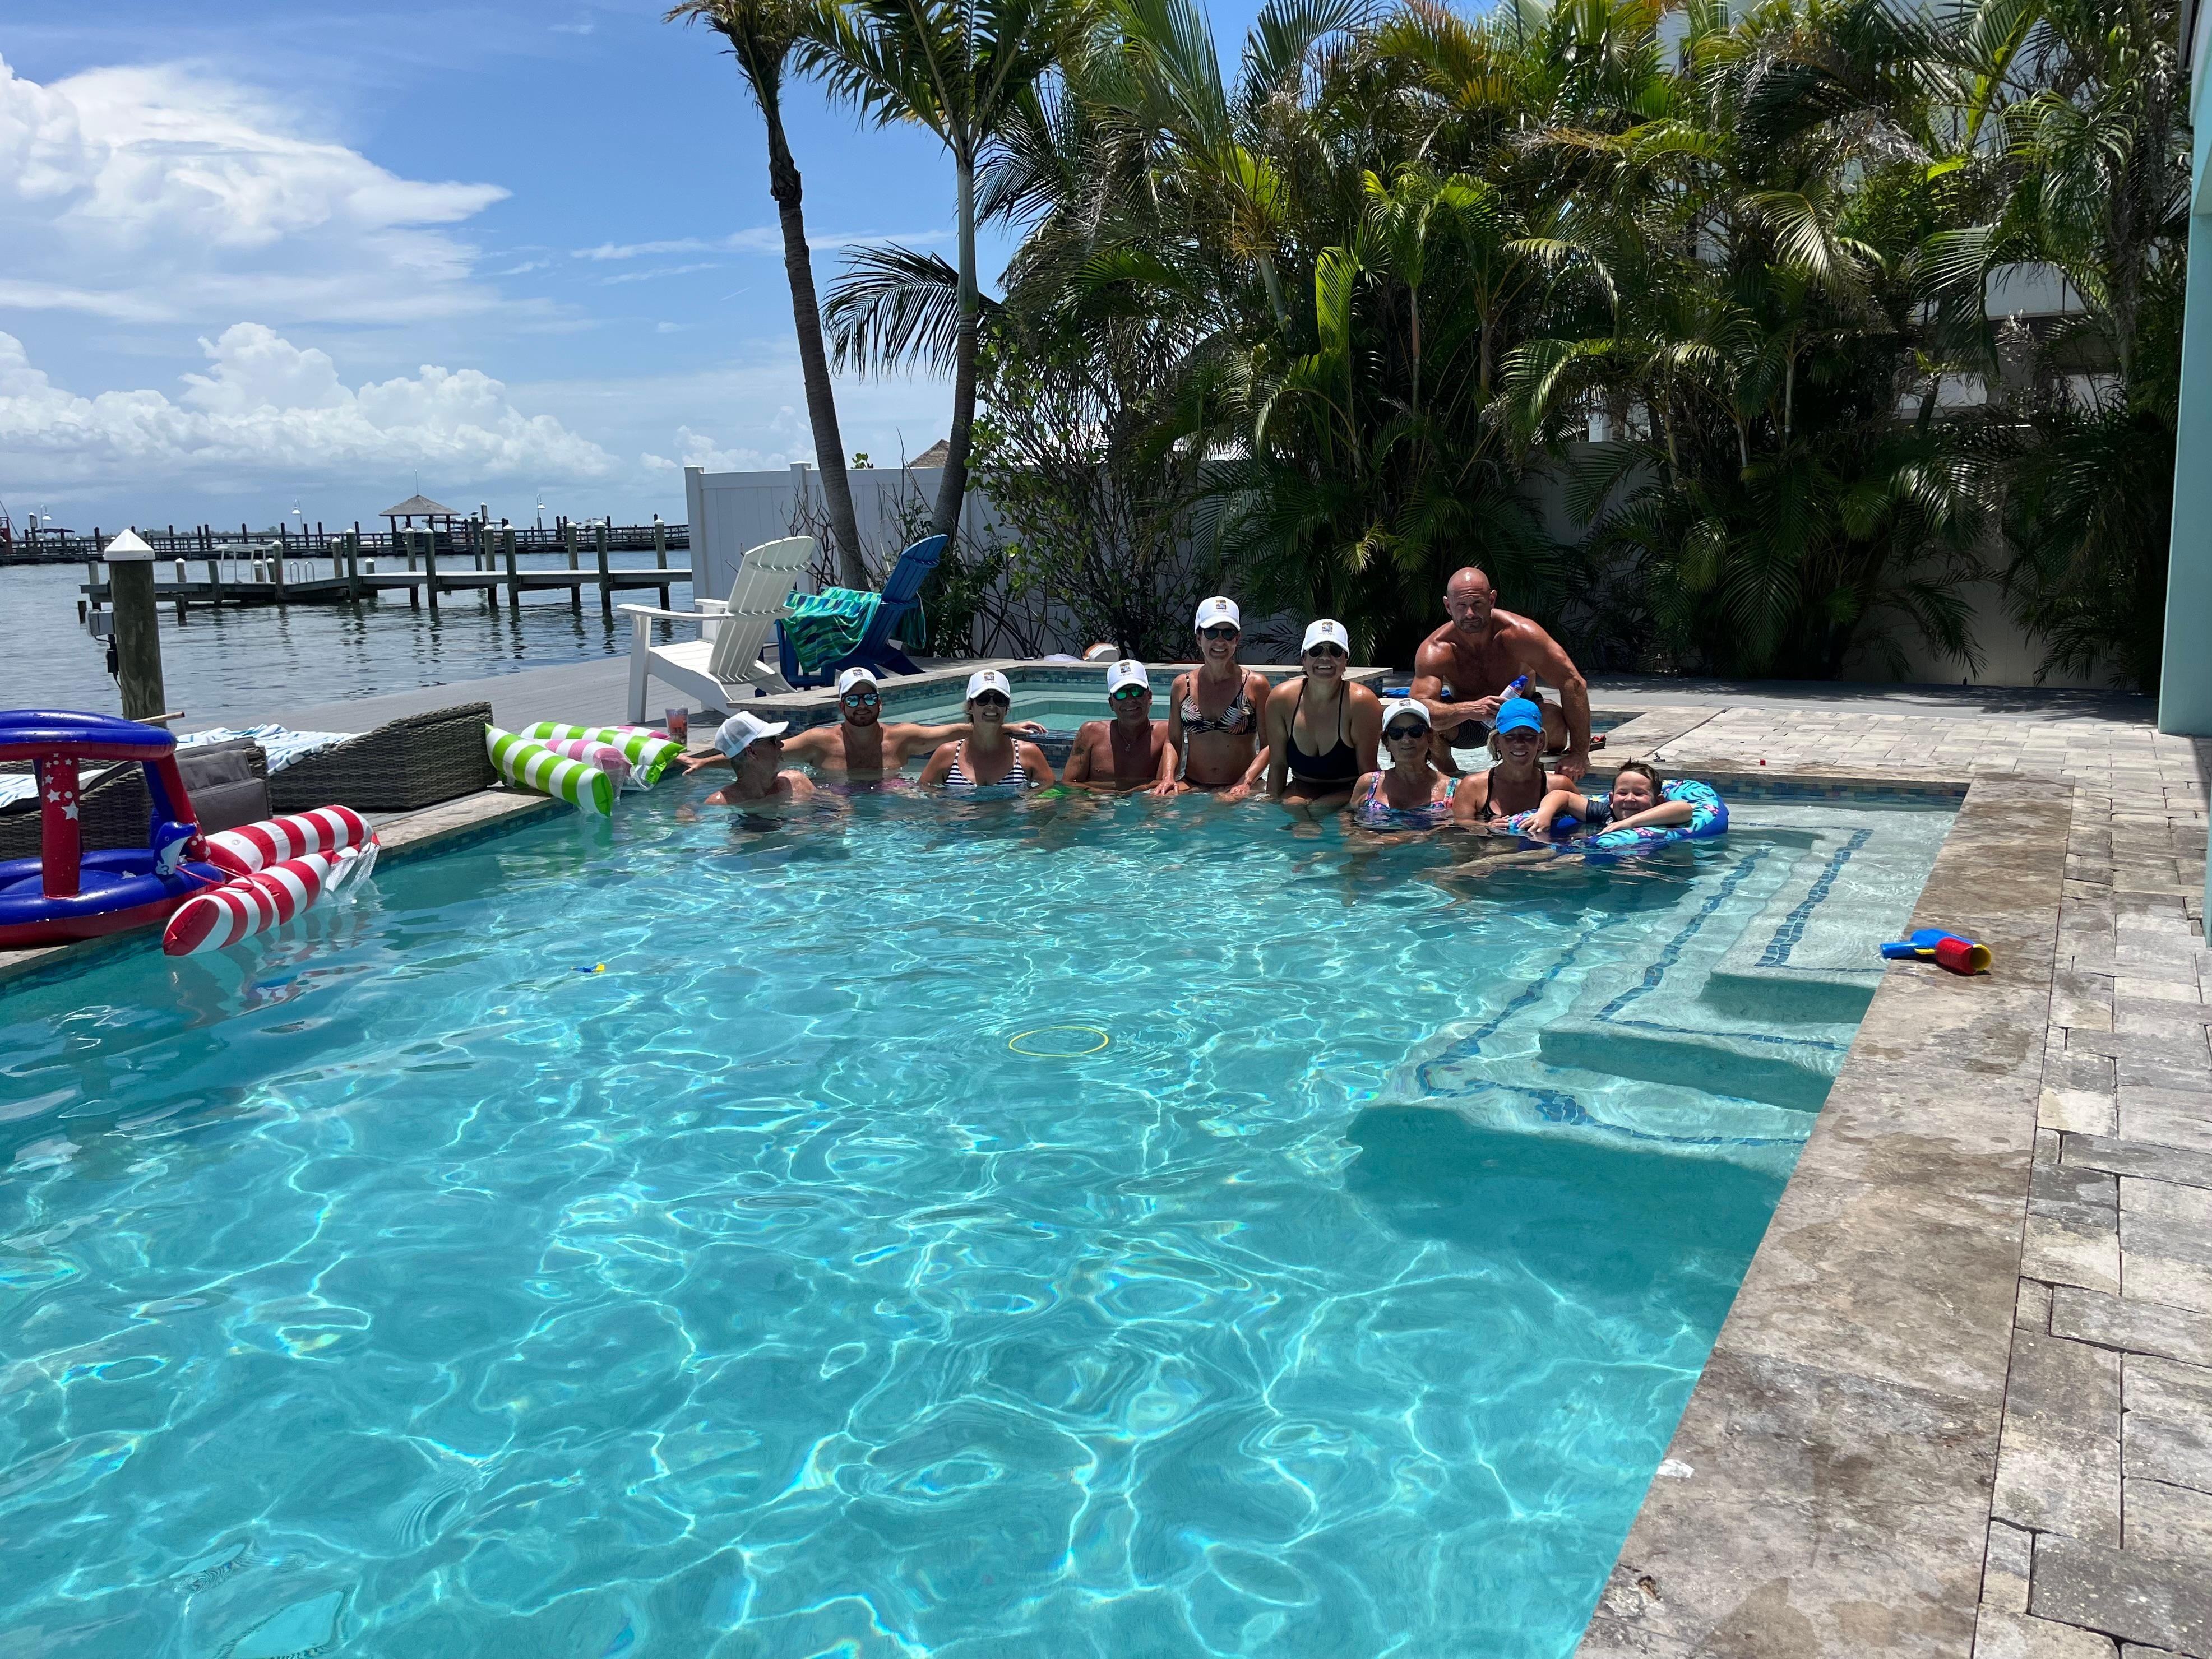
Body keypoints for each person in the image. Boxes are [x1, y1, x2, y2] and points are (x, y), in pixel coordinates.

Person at [1409, 566, 1593, 781]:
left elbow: (1573, 682)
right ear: (1448, 606)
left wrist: (1580, 753)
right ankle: (1452, 780)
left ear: (1492, 600)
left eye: (1477, 604)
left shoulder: (1521, 634)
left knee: (1553, 720)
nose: (1470, 613)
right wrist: (1471, 709)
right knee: (1426, 728)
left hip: (1522, 716)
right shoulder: (1436, 649)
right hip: (1470, 721)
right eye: (1461, 605)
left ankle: (1532, 777)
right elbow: (1419, 707)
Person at [780, 666, 1043, 780]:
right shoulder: (817, 741)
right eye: (853, 700)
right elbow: (771, 752)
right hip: (837, 808)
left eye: (869, 698)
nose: (862, 706)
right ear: (841, 706)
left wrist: (1007, 728)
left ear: (880, 704)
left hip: (890, 806)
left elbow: (952, 731)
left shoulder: (900, 738)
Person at [1264, 619, 1382, 814]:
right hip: (1302, 786)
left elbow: (1368, 776)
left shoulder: (1362, 703)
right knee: (1292, 808)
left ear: (1346, 661)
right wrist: (1270, 815)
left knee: (1319, 809)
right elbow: (1278, 764)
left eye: (1335, 652)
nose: (1325, 658)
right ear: (1304, 659)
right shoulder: (1281, 699)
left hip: (1349, 787)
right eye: (1316, 651)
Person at [1161, 595, 1271, 799]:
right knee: (1152, 807)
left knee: (1214, 811)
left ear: (1237, 639)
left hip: (1240, 786)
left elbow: (1269, 744)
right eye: (1211, 632)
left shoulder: (1255, 685)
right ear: (1199, 638)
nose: (1220, 641)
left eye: (1228, 633)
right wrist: (1168, 778)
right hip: (1192, 783)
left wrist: (1245, 783)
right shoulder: (1181, 685)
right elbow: (1173, 740)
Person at [919, 669, 1057, 794]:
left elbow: (1052, 791)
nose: (991, 705)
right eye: (983, 700)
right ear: (970, 707)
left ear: (1006, 708)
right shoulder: (947, 754)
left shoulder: (1028, 753)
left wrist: (1035, 802)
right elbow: (924, 791)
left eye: (999, 700)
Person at [1450, 697, 1570, 824]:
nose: (1519, 743)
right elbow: (1460, 828)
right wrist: (1486, 828)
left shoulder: (1559, 786)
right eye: (1510, 736)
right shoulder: (1472, 786)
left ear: (1540, 741)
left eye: (1528, 735)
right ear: (1497, 742)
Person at [1065, 660, 1175, 791]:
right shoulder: (1090, 734)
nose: (1130, 700)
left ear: (1149, 697)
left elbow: (1164, 784)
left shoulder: (1166, 734)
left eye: (1136, 691)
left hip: (1144, 806)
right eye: (1121, 694)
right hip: (1097, 805)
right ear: (1112, 703)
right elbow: (1069, 784)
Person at [1350, 699, 1457, 830]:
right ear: (1386, 742)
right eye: (1397, 733)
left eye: (1416, 731)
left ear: (1429, 737)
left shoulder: (1455, 790)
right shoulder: (1367, 784)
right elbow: (1351, 826)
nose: (1406, 739)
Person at [697, 711, 816, 807]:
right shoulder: (721, 803)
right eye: (773, 740)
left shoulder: (797, 783)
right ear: (752, 752)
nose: (781, 745)